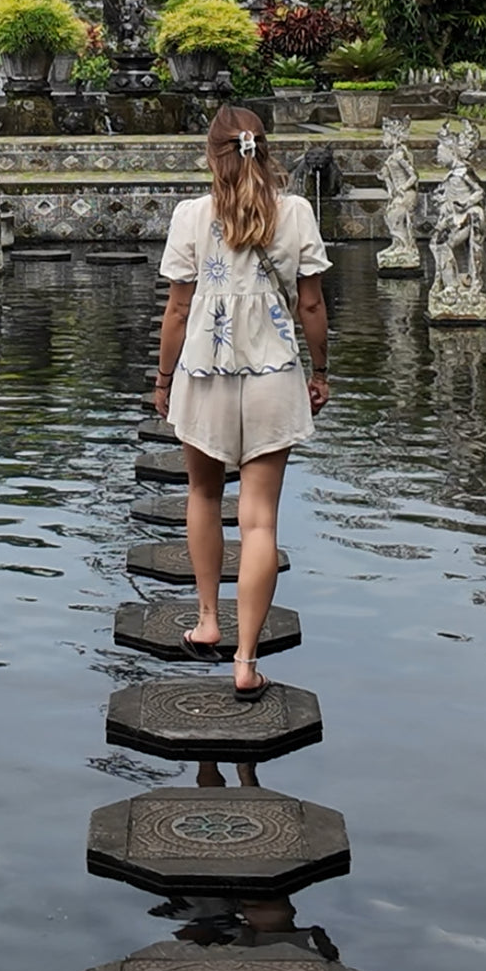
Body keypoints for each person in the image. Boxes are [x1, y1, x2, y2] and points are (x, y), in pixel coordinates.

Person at [154, 104, 330, 698]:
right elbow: (310, 306)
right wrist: (322, 370)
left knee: (203, 493)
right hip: (274, 373)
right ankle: (247, 661)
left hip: (203, 372)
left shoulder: (192, 216)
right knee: (259, 521)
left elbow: (177, 309)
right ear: (265, 148)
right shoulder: (296, 212)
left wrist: (162, 378)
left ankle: (207, 621)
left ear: (212, 154)